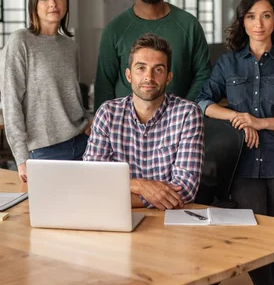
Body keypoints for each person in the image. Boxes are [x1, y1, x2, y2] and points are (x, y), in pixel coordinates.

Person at [196, 0, 274, 285]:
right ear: (242, 22)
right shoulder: (227, 64)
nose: (258, 23)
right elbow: (203, 102)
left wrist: (260, 123)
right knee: (256, 238)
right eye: (251, 16)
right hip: (242, 165)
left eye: (266, 16)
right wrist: (238, 117)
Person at [84, 33, 204, 210]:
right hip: (117, 219)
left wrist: (117, 193)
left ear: (168, 77)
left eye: (158, 69)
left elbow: (185, 188)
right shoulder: (107, 113)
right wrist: (141, 186)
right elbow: (92, 177)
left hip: (169, 221)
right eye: (141, 68)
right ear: (129, 75)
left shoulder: (188, 114)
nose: (149, 77)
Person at [0, 0, 91, 183]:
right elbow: (11, 102)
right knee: (51, 213)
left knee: (83, 209)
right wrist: (21, 156)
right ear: (34, 5)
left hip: (82, 141)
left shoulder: (70, 46)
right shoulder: (20, 41)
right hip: (45, 150)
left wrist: (88, 119)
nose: (53, 4)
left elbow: (71, 94)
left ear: (66, 4)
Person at [93, 0, 211, 111]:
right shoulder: (114, 29)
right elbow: (104, 83)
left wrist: (185, 111)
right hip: (126, 123)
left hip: (178, 122)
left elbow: (203, 74)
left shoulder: (189, 24)